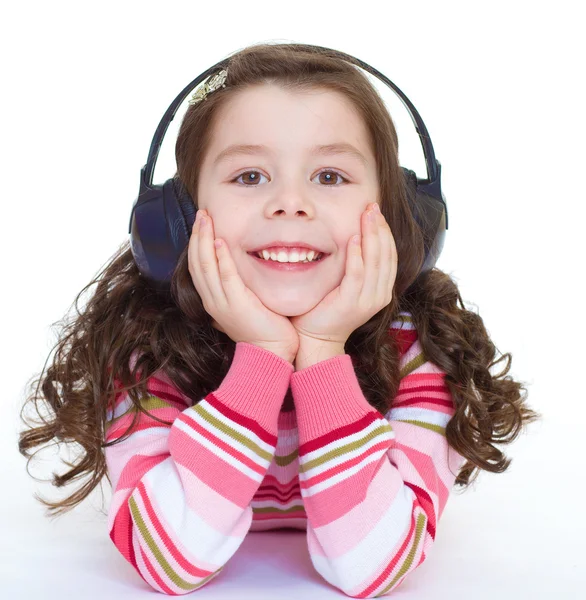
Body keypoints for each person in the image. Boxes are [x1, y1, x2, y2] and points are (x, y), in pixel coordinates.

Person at [18, 42, 541, 596]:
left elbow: (374, 568)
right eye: (248, 177)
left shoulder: (422, 348)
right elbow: (167, 562)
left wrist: (321, 350)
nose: (291, 203)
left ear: (398, 214)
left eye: (331, 177)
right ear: (177, 219)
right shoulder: (149, 347)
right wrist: (262, 359)